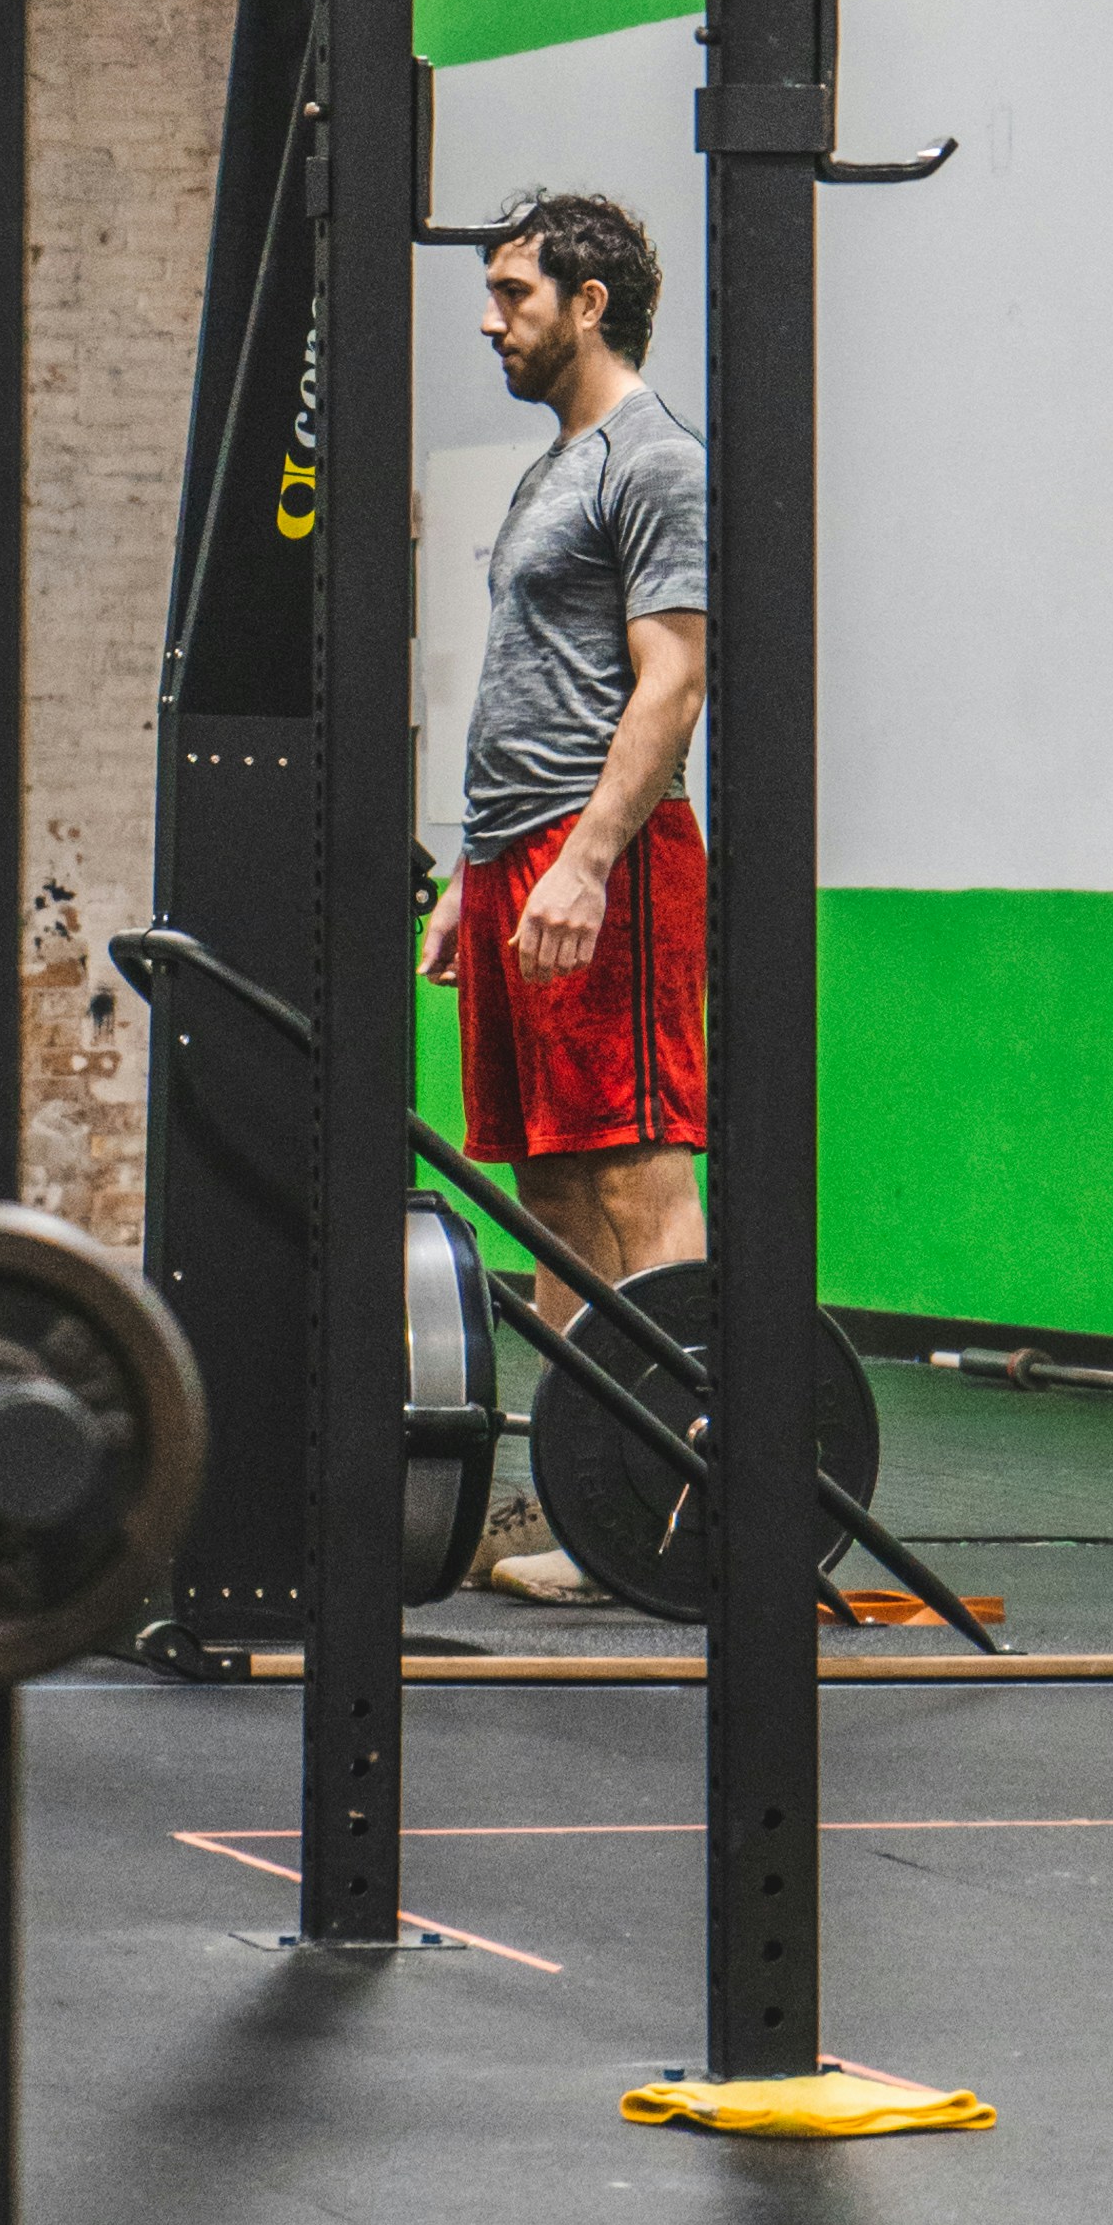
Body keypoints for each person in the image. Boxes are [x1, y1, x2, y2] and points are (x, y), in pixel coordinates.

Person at [422, 190, 708, 1598]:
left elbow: (672, 681)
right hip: (512, 858)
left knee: (637, 1171)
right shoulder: (557, 465)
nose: (492, 319)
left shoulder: (652, 463)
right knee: (544, 1185)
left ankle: (664, 1495)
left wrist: (589, 858)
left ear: (589, 304)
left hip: (604, 859)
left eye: (514, 294)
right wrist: (470, 877)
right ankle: (568, 1501)